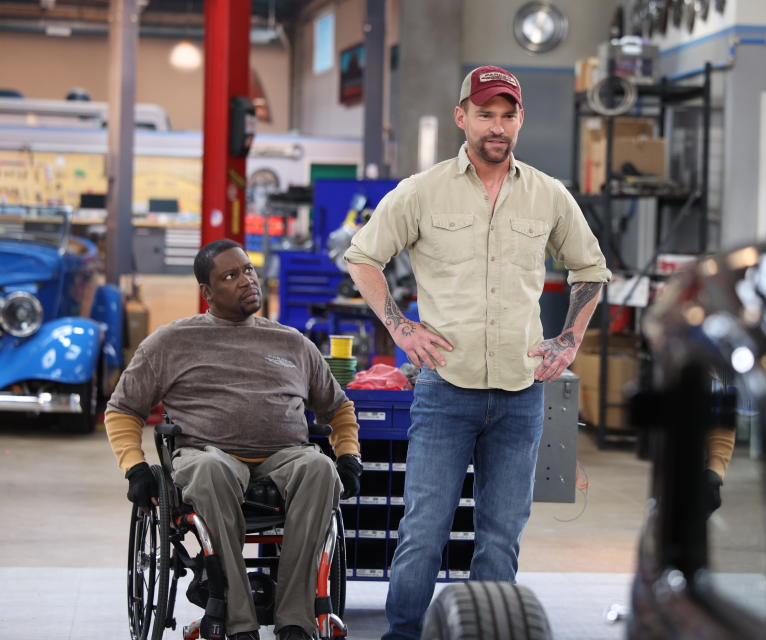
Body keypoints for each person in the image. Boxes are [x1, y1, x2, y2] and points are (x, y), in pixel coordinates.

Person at [344, 65, 611, 640]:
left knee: (501, 533)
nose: (497, 126)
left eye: (507, 115)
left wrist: (569, 339)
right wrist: (400, 326)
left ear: (520, 120)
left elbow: (591, 269)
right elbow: (363, 257)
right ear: (462, 117)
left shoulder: (548, 195)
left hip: (521, 393)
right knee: (424, 528)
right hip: (445, 390)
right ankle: (404, 633)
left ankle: (491, 632)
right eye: (485, 114)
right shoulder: (422, 190)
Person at [105, 239, 363, 640]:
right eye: (231, 275)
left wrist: (348, 456)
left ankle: (295, 621)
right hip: (208, 455)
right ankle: (239, 622)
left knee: (320, 468)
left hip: (285, 457)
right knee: (209, 471)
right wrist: (134, 468)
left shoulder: (292, 343)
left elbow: (339, 408)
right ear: (207, 292)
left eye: (248, 270)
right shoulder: (170, 342)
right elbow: (122, 408)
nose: (247, 281)